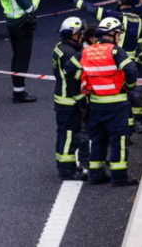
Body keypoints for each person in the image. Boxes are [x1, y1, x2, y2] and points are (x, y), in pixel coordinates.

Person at [62, 0, 142, 134]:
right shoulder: (139, 21)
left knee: (115, 98)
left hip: (112, 64)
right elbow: (141, 45)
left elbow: (91, 9)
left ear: (121, 0)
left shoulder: (114, 18)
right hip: (131, 64)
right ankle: (134, 125)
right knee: (133, 95)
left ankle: (109, 129)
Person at [71, 18, 139, 187]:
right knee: (118, 140)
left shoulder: (87, 51)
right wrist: (128, 87)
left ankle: (96, 174)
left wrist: (83, 89)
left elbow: (69, 68)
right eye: (119, 34)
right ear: (113, 34)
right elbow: (130, 70)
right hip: (117, 104)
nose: (119, 37)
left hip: (95, 104)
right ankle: (119, 178)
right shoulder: (116, 51)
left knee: (98, 139)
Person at [0, 0, 49, 103]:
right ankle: (19, 94)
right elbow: (29, 8)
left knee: (17, 57)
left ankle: (17, 90)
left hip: (12, 24)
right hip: (22, 26)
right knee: (22, 60)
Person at [52, 17, 90, 180]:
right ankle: (67, 171)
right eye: (80, 33)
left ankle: (64, 166)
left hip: (61, 98)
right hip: (70, 100)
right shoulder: (71, 54)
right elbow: (74, 81)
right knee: (69, 136)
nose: (82, 36)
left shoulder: (60, 47)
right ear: (74, 34)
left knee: (63, 134)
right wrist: (82, 102)